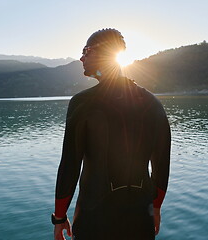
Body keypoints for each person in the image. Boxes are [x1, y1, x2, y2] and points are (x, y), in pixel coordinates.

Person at [51, 29, 171, 240]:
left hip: (94, 220)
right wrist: (156, 208)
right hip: (141, 219)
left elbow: (70, 166)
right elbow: (162, 166)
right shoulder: (153, 103)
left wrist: (60, 217)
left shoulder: (83, 103)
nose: (81, 57)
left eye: (86, 51)